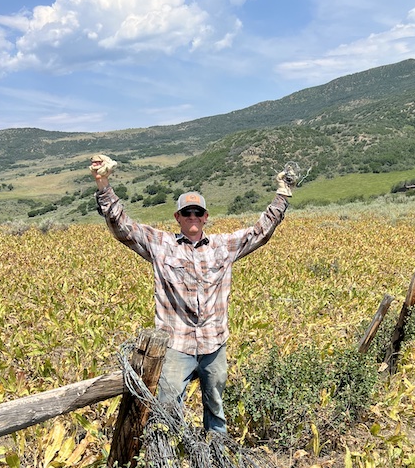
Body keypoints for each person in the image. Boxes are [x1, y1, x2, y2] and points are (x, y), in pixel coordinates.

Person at [90, 153, 294, 433]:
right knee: (167, 411)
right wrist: (103, 185)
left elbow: (261, 232)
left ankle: (216, 453)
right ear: (178, 217)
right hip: (177, 345)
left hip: (214, 343)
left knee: (216, 409)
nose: (193, 217)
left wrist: (283, 194)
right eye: (187, 213)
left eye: (198, 212)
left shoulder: (223, 246)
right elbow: (122, 226)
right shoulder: (161, 244)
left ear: (206, 217)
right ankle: (169, 455)